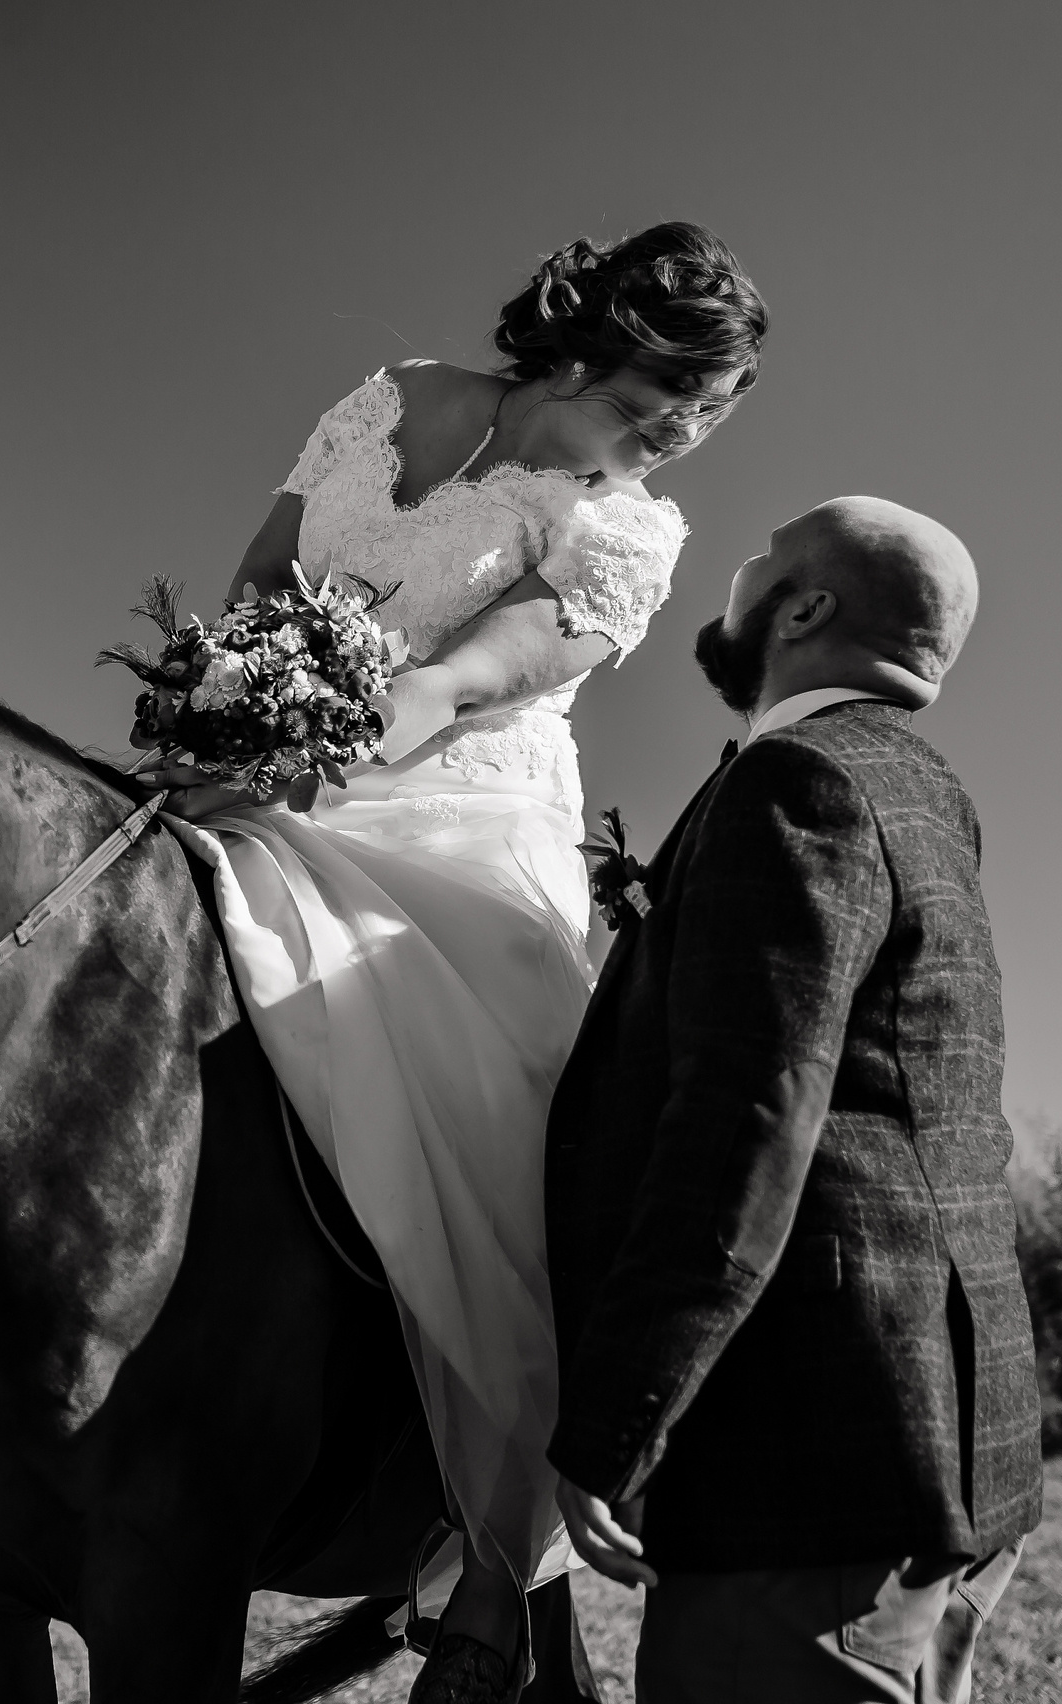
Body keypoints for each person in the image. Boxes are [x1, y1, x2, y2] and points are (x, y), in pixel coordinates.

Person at [142, 221, 767, 1702]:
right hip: (258, 754)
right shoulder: (397, 397)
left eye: (716, 408)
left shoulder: (625, 532)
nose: (686, 426)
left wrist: (298, 740)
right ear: (599, 329)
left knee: (490, 1110)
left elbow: (460, 681)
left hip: (456, 812)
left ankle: (497, 1568)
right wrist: (214, 700)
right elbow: (263, 571)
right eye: (679, 383)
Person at [544, 498, 1043, 1704]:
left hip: (810, 1453)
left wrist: (618, 1423)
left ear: (806, 607)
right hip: (949, 1439)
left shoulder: (796, 783)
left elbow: (744, 1124)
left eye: (763, 555)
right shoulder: (920, 785)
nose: (742, 571)